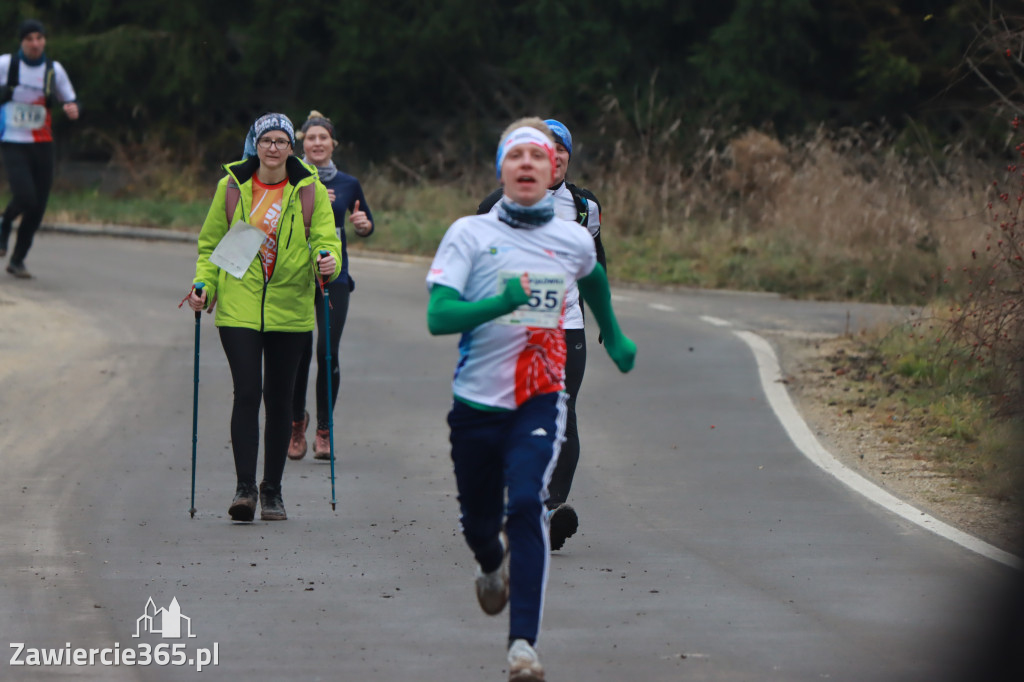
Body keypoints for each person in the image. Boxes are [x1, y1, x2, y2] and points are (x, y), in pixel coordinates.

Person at [426, 117, 636, 681]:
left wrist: (612, 333)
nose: (527, 164)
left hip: (540, 394)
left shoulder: (572, 233)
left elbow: (592, 275)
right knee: (478, 522)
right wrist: (500, 303)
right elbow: (437, 316)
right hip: (477, 400)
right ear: (502, 167)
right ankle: (490, 564)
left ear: (553, 171)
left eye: (538, 156)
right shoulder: (468, 233)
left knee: (526, 505)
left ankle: (523, 646)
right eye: (515, 155)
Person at [185, 112, 342, 523]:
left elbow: (325, 241)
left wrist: (329, 263)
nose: (274, 147)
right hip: (239, 305)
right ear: (255, 144)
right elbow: (210, 246)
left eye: (281, 140)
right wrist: (205, 286)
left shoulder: (310, 189)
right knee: (248, 392)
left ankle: (272, 491)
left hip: (290, 308)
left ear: (293, 147)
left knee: (279, 400)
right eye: (266, 140)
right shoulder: (232, 187)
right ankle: (244, 490)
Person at [477, 119, 604, 551]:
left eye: (561, 148)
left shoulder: (585, 207)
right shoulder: (496, 204)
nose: (555, 156)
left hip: (568, 327)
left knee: (562, 416)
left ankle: (551, 508)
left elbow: (594, 265)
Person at [286, 111, 374, 460]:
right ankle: (296, 423)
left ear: (332, 143)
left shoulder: (349, 183)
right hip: (294, 275)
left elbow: (365, 223)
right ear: (302, 144)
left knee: (327, 352)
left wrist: (362, 225)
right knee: (297, 354)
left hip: (334, 276)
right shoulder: (290, 179)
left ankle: (324, 429)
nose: (317, 143)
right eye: (311, 138)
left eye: (323, 138)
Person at [0, 19, 79, 277]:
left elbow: (71, 100)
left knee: (37, 207)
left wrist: (73, 109)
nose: (35, 44)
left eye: (39, 38)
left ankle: (17, 260)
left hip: (43, 144)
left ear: (44, 40)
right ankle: (5, 221)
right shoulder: (6, 65)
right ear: (21, 42)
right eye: (29, 39)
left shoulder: (53, 70)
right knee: (25, 197)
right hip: (13, 141)